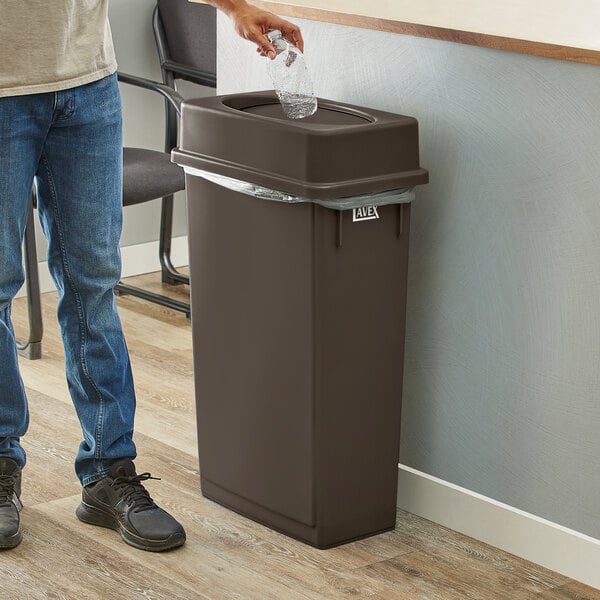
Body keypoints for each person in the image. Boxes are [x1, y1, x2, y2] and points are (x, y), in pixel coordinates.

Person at [0, 0, 303, 551]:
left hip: (87, 84)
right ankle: (0, 466)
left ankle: (108, 471)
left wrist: (234, 9)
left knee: (93, 284)